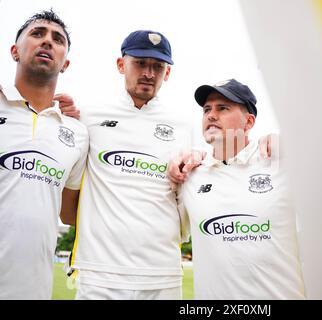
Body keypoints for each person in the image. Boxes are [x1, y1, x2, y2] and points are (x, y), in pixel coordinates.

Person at [65, 30, 193, 300]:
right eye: (140, 63)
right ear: (121, 65)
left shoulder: (183, 126)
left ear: (167, 73)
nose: (149, 72)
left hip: (163, 274)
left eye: (157, 66)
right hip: (100, 273)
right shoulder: (88, 115)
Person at [175, 79, 306, 299]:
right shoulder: (189, 174)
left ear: (249, 122)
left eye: (223, 108)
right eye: (207, 109)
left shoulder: (280, 161)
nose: (211, 115)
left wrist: (294, 146)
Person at [0, 10, 89, 299]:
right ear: (15, 51)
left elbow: (69, 212)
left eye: (57, 39)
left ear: (65, 63)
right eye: (37, 34)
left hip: (32, 289)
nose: (47, 42)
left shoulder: (76, 133)